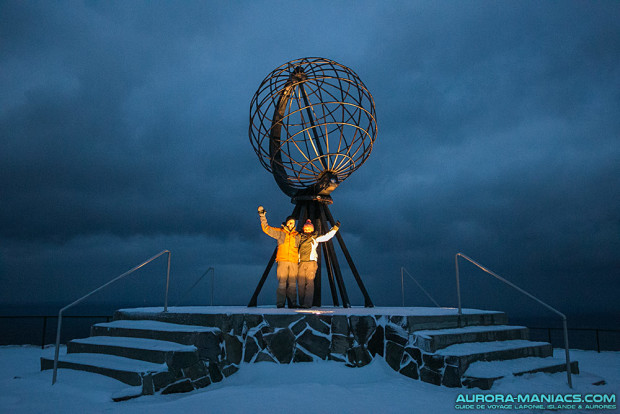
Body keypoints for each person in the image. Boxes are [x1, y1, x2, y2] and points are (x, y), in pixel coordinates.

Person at [258, 206, 301, 308]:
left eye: (293, 223)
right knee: (282, 284)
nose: (292, 224)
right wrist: (262, 216)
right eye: (290, 222)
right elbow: (266, 228)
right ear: (286, 223)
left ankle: (293, 304)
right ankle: (280, 304)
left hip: (294, 262)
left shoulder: (297, 235)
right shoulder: (280, 233)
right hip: (282, 261)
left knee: (292, 285)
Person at [297, 219, 340, 308]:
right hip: (301, 263)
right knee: (300, 284)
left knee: (309, 284)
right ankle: (301, 303)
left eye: (309, 229)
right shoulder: (299, 238)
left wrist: (335, 228)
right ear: (303, 229)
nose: (307, 230)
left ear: (312, 230)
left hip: (311, 263)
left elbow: (326, 237)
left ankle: (307, 304)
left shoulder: (314, 238)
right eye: (306, 229)